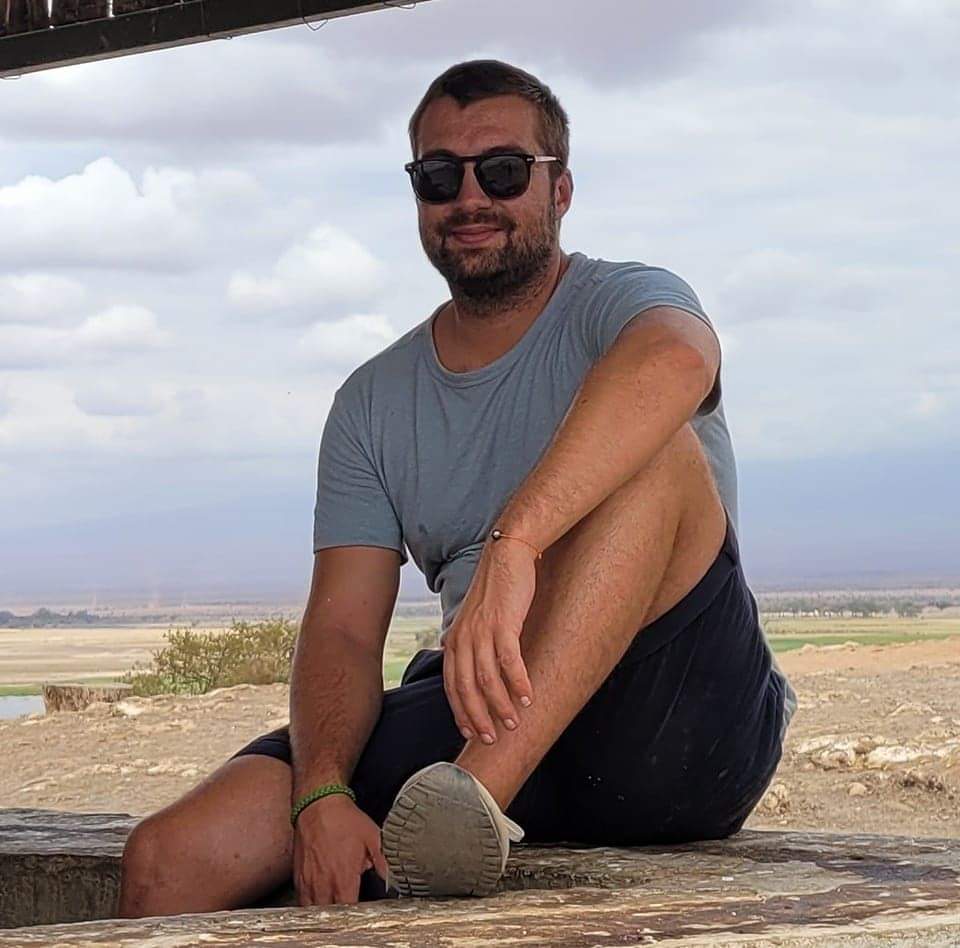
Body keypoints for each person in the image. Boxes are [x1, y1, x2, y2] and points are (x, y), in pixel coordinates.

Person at [118, 58, 796, 916]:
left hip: (672, 715)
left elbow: (677, 361)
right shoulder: (372, 402)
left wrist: (517, 547)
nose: (470, 197)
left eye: (503, 171)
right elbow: (343, 628)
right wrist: (321, 793)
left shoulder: (625, 303)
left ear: (561, 190)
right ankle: (452, 811)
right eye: (440, 176)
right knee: (169, 859)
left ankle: (458, 816)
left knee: (662, 451)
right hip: (484, 699)